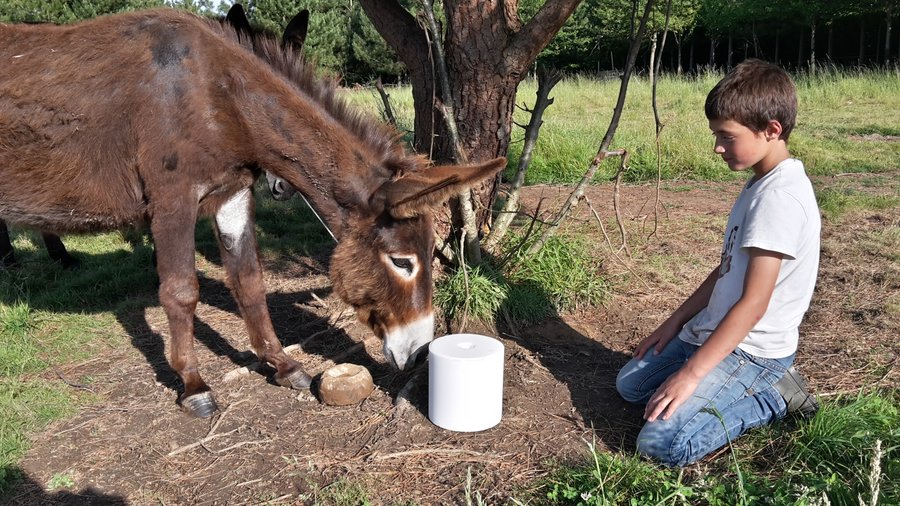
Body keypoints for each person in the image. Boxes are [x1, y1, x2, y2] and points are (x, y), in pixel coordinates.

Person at [615, 59, 821, 467]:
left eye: (727, 137)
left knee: (660, 445)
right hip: (715, 332)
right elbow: (727, 266)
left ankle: (775, 396)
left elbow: (755, 303)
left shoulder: (778, 198)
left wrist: (691, 374)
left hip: (752, 351)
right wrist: (674, 322)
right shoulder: (760, 181)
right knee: (631, 385)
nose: (718, 148)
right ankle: (705, 376)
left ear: (772, 129)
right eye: (716, 136)